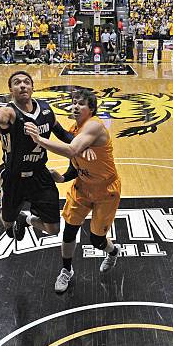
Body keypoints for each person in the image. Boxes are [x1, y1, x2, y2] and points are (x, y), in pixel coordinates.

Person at [0, 71, 79, 241]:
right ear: (10, 89)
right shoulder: (9, 112)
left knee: (54, 229)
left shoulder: (46, 110)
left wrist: (83, 143)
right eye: (17, 83)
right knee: (7, 223)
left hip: (40, 175)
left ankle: (25, 218)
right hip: (13, 177)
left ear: (32, 87)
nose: (22, 85)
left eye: (26, 82)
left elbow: (63, 134)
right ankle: (13, 219)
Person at [25, 89, 121, 293]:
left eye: (81, 104)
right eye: (73, 103)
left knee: (97, 240)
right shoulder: (74, 129)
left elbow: (71, 150)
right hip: (82, 187)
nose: (75, 106)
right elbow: (74, 162)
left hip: (106, 190)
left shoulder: (94, 126)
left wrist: (39, 140)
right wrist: (63, 178)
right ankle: (66, 270)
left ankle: (112, 252)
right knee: (69, 231)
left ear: (91, 109)